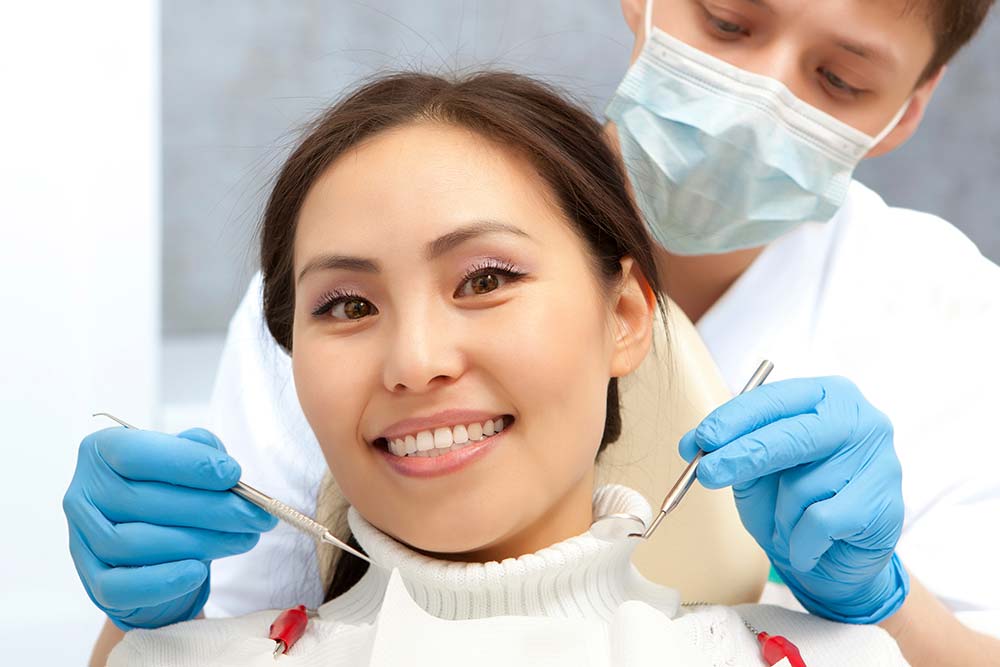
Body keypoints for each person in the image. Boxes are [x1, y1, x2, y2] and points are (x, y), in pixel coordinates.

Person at [63, 0, 1000, 665]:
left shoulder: (943, 311)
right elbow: (215, 620)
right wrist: (141, 621)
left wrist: (880, 610)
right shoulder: (337, 247)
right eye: (725, 21)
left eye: (837, 78)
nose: (417, 358)